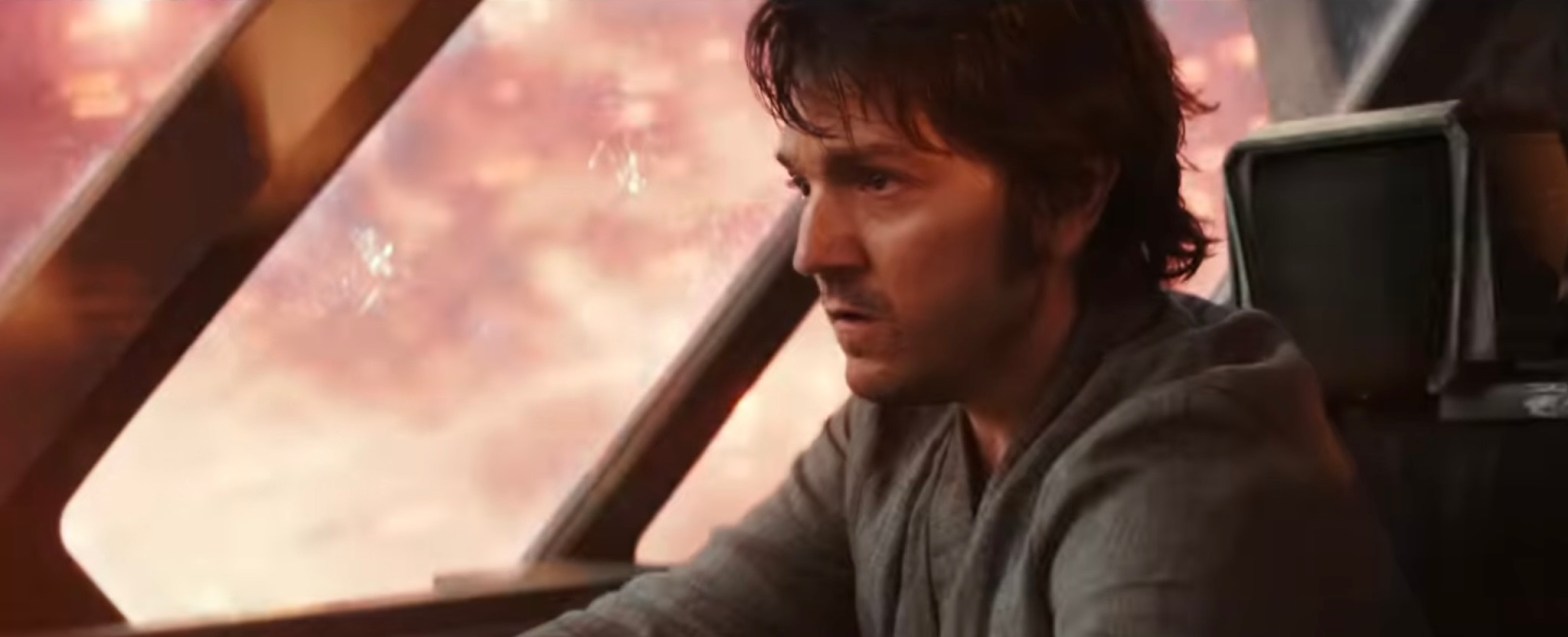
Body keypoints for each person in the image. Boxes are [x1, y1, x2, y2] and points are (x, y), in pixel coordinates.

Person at [526, 0, 1403, 634]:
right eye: (805, 186)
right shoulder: (896, 431)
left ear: (1068, 195)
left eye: (878, 180)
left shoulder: (1191, 465)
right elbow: (675, 621)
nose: (814, 251)